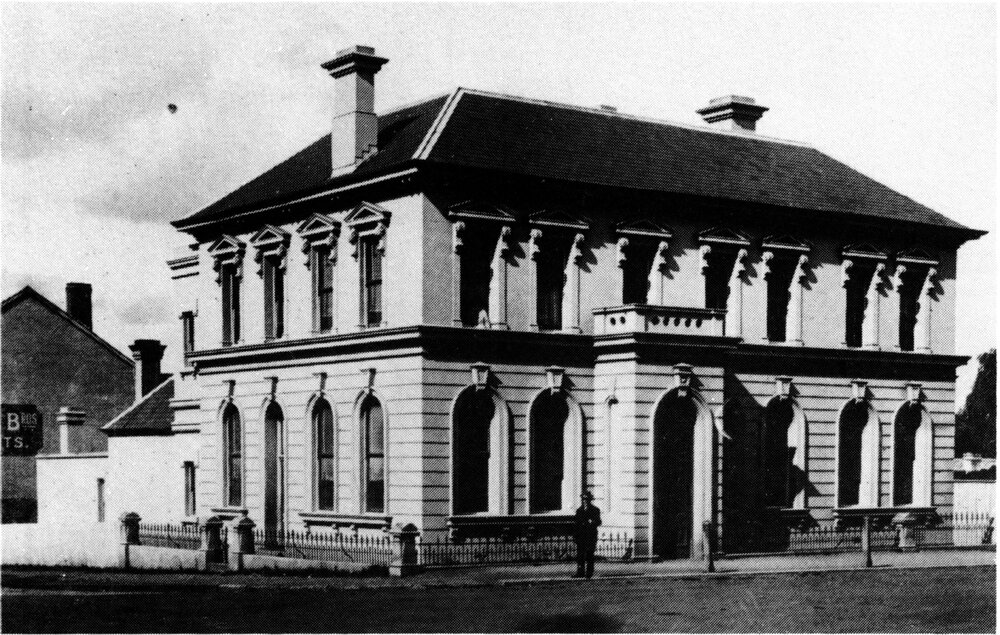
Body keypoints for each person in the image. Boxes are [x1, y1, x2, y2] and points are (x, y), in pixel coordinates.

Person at [574, 491, 602, 578]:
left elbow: (599, 521)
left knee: (590, 554)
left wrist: (593, 522)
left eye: (586, 499)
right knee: (580, 555)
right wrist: (576, 536)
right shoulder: (579, 510)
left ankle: (589, 572)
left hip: (591, 535)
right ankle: (580, 572)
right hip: (581, 535)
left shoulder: (595, 510)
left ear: (590, 500)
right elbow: (576, 524)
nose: (585, 501)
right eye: (583, 499)